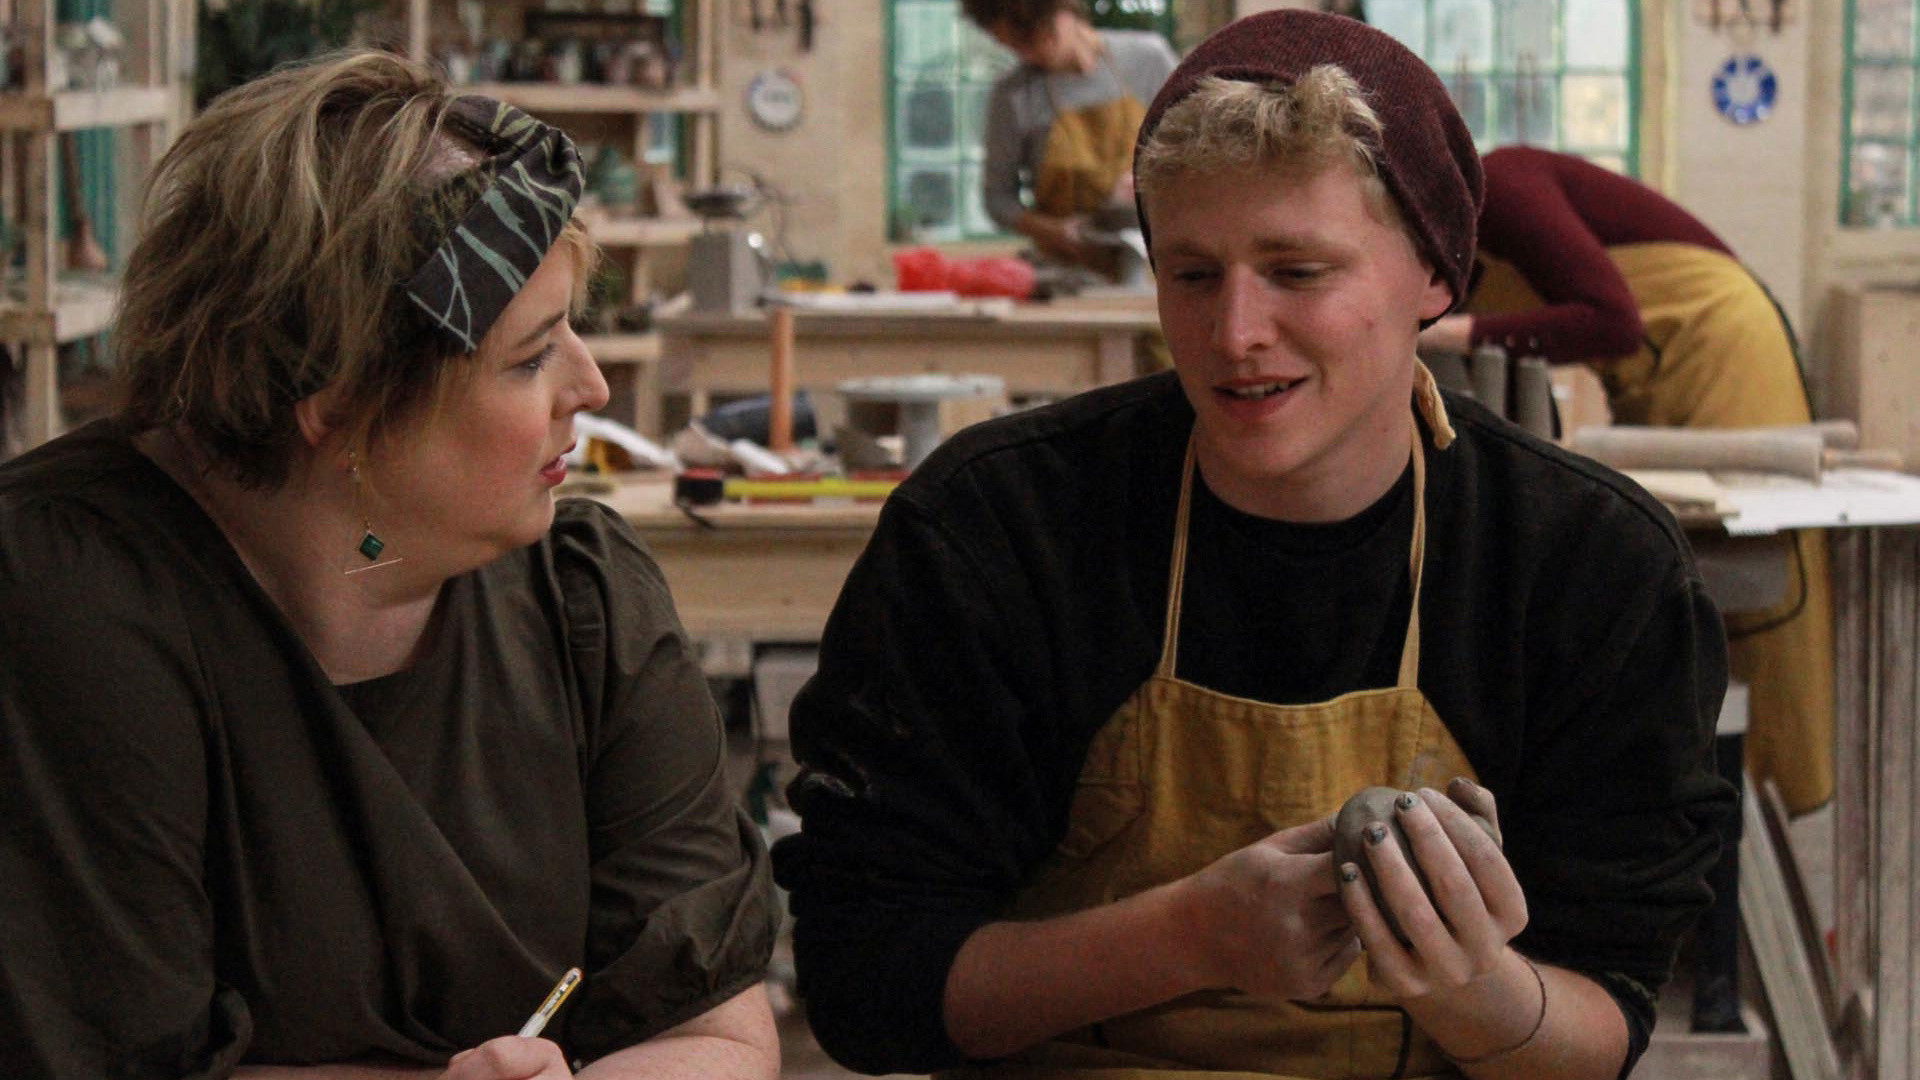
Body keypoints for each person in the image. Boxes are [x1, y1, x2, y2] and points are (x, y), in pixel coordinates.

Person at [774, 11, 1734, 1080]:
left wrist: (1472, 985)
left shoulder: (1587, 566)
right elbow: (866, 986)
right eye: (1192, 275)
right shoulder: (998, 532)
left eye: (1298, 270)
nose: (1234, 335)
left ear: (1435, 274)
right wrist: (1188, 937)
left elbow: (1605, 1022)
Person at [0, 52, 780, 1080]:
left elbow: (717, 1035)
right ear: (341, 405)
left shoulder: (584, 599)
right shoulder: (67, 599)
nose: (590, 387)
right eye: (530, 357)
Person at [1417, 144, 1832, 815]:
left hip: (1718, 340)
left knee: (1759, 604)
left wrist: (1442, 335)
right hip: (1654, 366)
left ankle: (1763, 799)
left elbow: (1612, 321)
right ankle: (1693, 795)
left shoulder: (1506, 187)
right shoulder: (1454, 253)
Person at [967, 0, 1177, 279]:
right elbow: (997, 198)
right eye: (1015, 45)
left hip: (1155, 263)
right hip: (1068, 271)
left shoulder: (1149, 59)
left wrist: (1155, 176)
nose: (1030, 52)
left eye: (1034, 36)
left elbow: (1196, 146)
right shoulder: (1013, 95)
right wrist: (1053, 231)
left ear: (1066, 10)